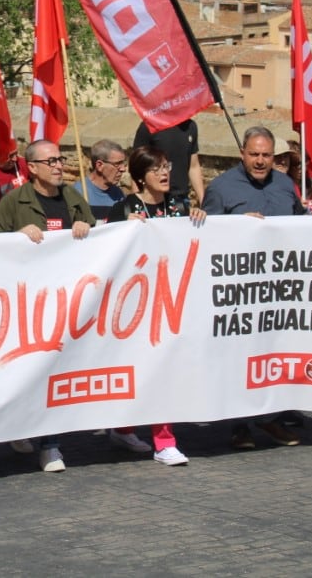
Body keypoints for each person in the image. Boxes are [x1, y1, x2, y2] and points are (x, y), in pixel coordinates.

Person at [202, 126, 312, 449]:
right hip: (238, 292)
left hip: (280, 291)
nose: (260, 161)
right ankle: (238, 425)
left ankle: (271, 417)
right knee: (240, 356)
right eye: (254, 154)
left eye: (266, 155)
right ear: (242, 153)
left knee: (274, 352)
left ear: (275, 157)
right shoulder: (220, 188)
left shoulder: (286, 185)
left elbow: (301, 224)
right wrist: (238, 226)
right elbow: (205, 236)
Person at [0, 140, 93, 472]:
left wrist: (85, 228)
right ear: (31, 167)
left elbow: (101, 240)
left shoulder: (73, 199)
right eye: (51, 162)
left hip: (65, 302)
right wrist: (17, 236)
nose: (59, 166)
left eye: (61, 160)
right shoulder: (14, 202)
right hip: (27, 303)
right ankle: (19, 425)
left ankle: (51, 445)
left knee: (55, 372)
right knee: (27, 373)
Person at [106, 145, 205, 465]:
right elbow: (106, 253)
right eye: (156, 169)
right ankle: (155, 438)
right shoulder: (125, 209)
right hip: (138, 305)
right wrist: (122, 230)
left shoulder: (179, 205)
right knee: (144, 369)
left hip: (174, 302)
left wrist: (200, 219)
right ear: (140, 177)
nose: (164, 173)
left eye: (166, 166)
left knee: (162, 369)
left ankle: (150, 435)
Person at [133, 118, 204, 211]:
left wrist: (203, 200)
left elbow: (193, 166)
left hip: (182, 198)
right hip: (155, 199)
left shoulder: (190, 126)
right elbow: (137, 166)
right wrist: (137, 202)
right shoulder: (148, 126)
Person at [77, 139, 128, 224]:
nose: (123, 169)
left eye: (123, 163)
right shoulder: (78, 193)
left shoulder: (119, 195)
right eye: (117, 164)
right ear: (99, 165)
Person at [271, 138, 312, 212]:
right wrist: (298, 207)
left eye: (304, 164)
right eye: (296, 164)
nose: (283, 161)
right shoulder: (271, 183)